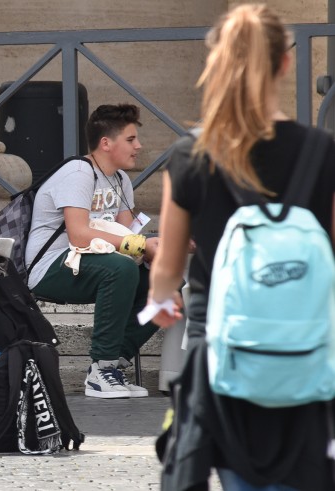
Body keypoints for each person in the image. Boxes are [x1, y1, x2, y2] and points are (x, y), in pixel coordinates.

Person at [148, 4, 335, 489]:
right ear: (286, 63)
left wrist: (162, 300)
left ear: (218, 64)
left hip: (225, 357)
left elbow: (168, 268)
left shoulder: (191, 155)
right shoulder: (322, 151)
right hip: (307, 355)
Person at [25, 103, 158, 399]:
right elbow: (79, 234)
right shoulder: (79, 172)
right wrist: (139, 246)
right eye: (131, 139)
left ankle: (113, 366)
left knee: (167, 279)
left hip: (95, 264)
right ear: (106, 143)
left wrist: (159, 249)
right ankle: (101, 370)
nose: (139, 146)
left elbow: (126, 237)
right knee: (121, 269)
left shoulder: (121, 179)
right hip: (51, 266)